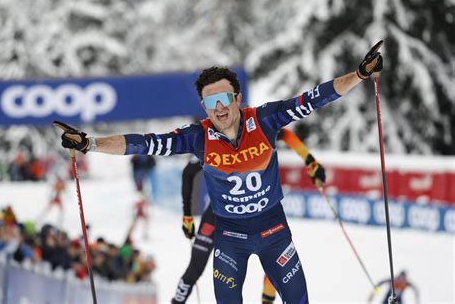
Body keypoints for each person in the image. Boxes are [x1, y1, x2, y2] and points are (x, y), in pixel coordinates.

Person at [56, 40, 383, 303]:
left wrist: (360, 75)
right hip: (229, 239)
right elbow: (143, 143)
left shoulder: (265, 119)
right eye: (211, 103)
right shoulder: (197, 137)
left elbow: (315, 98)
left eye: (226, 98)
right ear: (203, 107)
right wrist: (90, 143)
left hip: (274, 233)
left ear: (238, 97)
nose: (220, 108)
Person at [172, 128, 326, 304]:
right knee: (195, 267)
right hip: (218, 216)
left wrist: (310, 160)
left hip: (258, 216)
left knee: (277, 263)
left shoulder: (258, 129)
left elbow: (286, 135)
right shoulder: (212, 140)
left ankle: (266, 301)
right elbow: (188, 172)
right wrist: (187, 215)